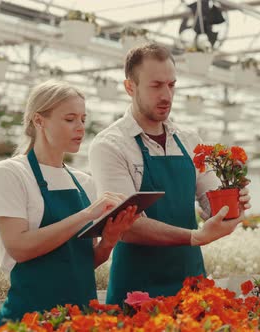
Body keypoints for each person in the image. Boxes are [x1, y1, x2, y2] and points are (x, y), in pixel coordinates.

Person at [88, 43, 251, 304]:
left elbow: (211, 201)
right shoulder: (111, 144)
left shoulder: (188, 140)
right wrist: (194, 236)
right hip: (136, 292)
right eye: (156, 86)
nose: (166, 95)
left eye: (171, 85)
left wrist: (231, 208)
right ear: (130, 87)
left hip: (191, 283)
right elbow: (126, 225)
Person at [0, 80, 140, 328]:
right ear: (39, 121)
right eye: (70, 119)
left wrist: (110, 240)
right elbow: (19, 248)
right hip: (28, 320)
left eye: (83, 119)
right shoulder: (12, 173)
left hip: (79, 320)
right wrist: (86, 215)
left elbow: (82, 264)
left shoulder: (83, 182)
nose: (80, 128)